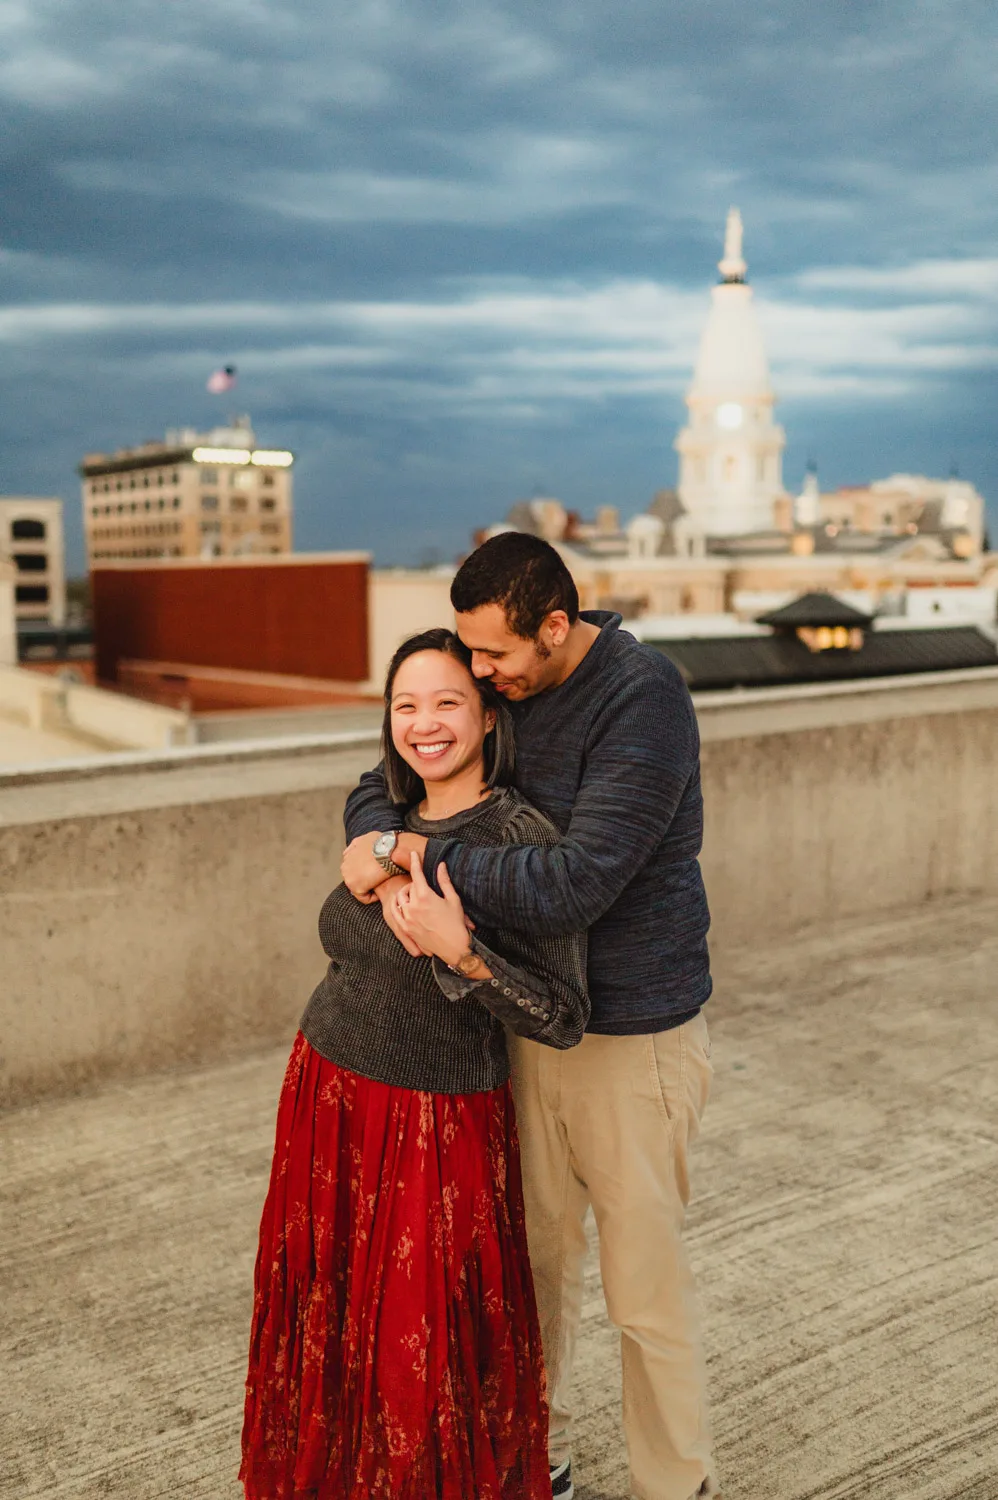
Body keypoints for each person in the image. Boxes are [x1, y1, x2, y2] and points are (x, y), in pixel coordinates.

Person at [341, 533, 718, 1500]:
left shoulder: (644, 699)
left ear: (557, 627)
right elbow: (398, 766)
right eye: (469, 651)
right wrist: (374, 833)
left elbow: (574, 884)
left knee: (644, 1292)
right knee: (527, 1280)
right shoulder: (503, 691)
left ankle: (677, 1484)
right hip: (516, 1024)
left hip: (630, 1039)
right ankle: (522, 1467)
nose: (478, 672)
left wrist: (420, 860)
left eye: (495, 654)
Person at [240, 627, 589, 1500]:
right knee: (330, 1312)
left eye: (447, 702)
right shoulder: (385, 817)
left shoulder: (520, 836)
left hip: (435, 1119)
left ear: (487, 715)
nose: (425, 723)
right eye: (406, 704)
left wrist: (466, 957)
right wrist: (387, 861)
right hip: (327, 1088)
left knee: (418, 1349)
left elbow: (562, 1015)